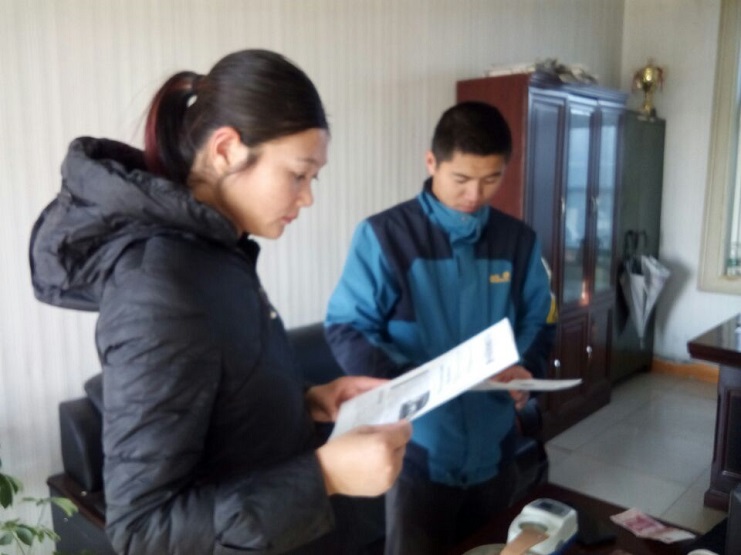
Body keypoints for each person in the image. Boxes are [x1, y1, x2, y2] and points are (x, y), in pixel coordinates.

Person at [29, 49, 411, 555]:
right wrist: (324, 475)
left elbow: (222, 401)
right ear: (227, 149)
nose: (307, 197)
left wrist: (306, 402)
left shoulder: (218, 252)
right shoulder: (159, 288)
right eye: (298, 174)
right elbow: (143, 530)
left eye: (312, 178)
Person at [325, 101, 557, 555]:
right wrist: (408, 385)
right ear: (431, 162)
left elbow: (539, 315)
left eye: (491, 179)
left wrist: (526, 366)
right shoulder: (386, 236)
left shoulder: (518, 241)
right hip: (417, 452)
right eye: (461, 179)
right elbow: (347, 326)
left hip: (495, 449)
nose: (475, 194)